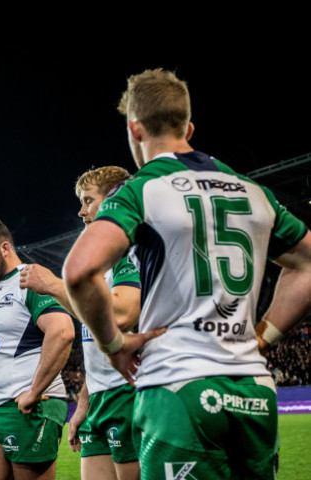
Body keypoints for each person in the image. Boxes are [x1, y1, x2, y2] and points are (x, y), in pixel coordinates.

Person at [63, 68, 311, 479]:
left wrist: (114, 343)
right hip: (253, 389)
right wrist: (265, 335)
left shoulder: (140, 189)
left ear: (134, 129)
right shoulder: (253, 191)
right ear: (188, 127)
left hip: (179, 389)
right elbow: (306, 264)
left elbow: (79, 271)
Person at [19, 166, 141, 480]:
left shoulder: (130, 249)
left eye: (88, 201)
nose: (81, 210)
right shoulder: (103, 262)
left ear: (115, 199)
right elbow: (95, 343)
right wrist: (84, 402)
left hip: (127, 394)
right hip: (100, 397)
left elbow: (121, 317)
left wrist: (53, 286)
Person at [0, 218, 75, 480]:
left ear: (5, 247)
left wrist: (35, 391)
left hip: (28, 407)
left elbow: (62, 331)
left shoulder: (31, 279)